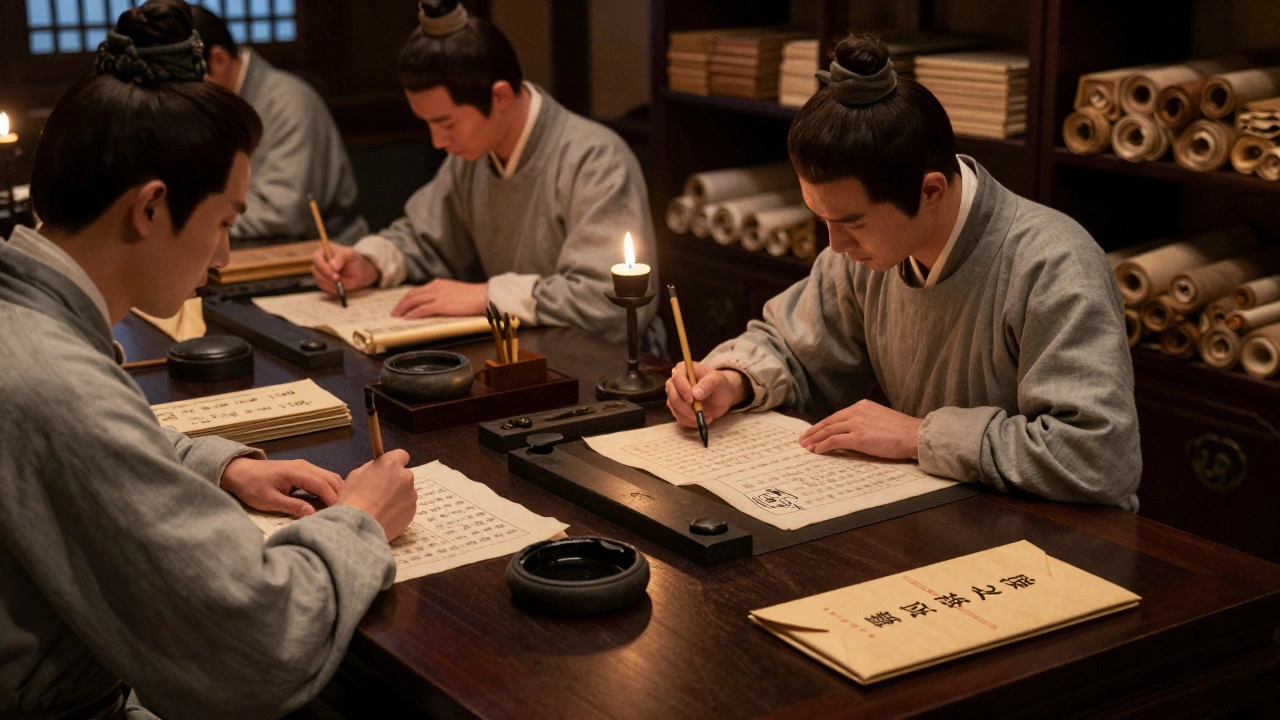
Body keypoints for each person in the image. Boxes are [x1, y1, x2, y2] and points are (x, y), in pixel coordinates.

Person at [0, 2, 416, 717]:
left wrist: (223, 467)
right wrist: (362, 522)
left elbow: (97, 441)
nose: (224, 255)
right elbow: (257, 638)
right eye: (223, 221)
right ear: (150, 208)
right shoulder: (52, 379)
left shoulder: (30, 319)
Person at [666, 35, 1141, 509]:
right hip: (940, 517)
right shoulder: (868, 252)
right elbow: (794, 346)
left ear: (931, 190)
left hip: (1056, 543)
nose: (834, 245)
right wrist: (731, 381)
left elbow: (1099, 457)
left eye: (852, 223)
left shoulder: (1054, 265)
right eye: (822, 219)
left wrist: (918, 436)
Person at [311, 0, 659, 347]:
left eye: (445, 123)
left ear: (501, 96)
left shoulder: (594, 158)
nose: (436, 140)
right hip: (523, 353)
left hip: (610, 365)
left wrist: (487, 295)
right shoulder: (473, 154)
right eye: (428, 124)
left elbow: (607, 302)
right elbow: (426, 236)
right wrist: (368, 262)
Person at [192, 5, 367, 244]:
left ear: (219, 60)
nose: (182, 95)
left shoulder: (290, 103)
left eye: (187, 84)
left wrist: (191, 224)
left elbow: (282, 214)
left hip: (324, 251)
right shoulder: (209, 105)